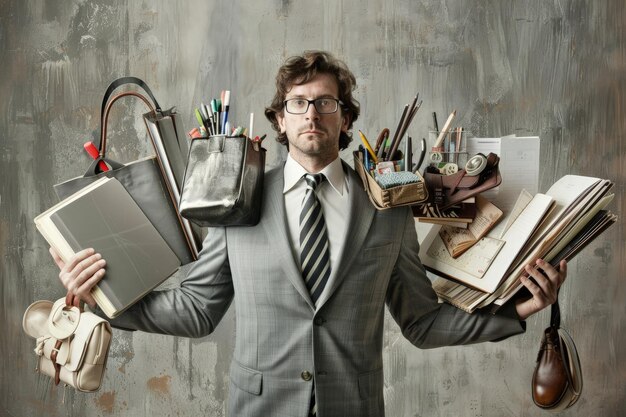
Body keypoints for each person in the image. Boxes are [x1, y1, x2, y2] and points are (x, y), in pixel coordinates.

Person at [50, 51, 566, 417]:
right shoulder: (238, 199)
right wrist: (103, 298)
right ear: (278, 118)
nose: (312, 113)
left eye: (326, 103)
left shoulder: (388, 208)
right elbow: (197, 309)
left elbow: (422, 322)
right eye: (298, 103)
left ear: (346, 120)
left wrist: (516, 310)